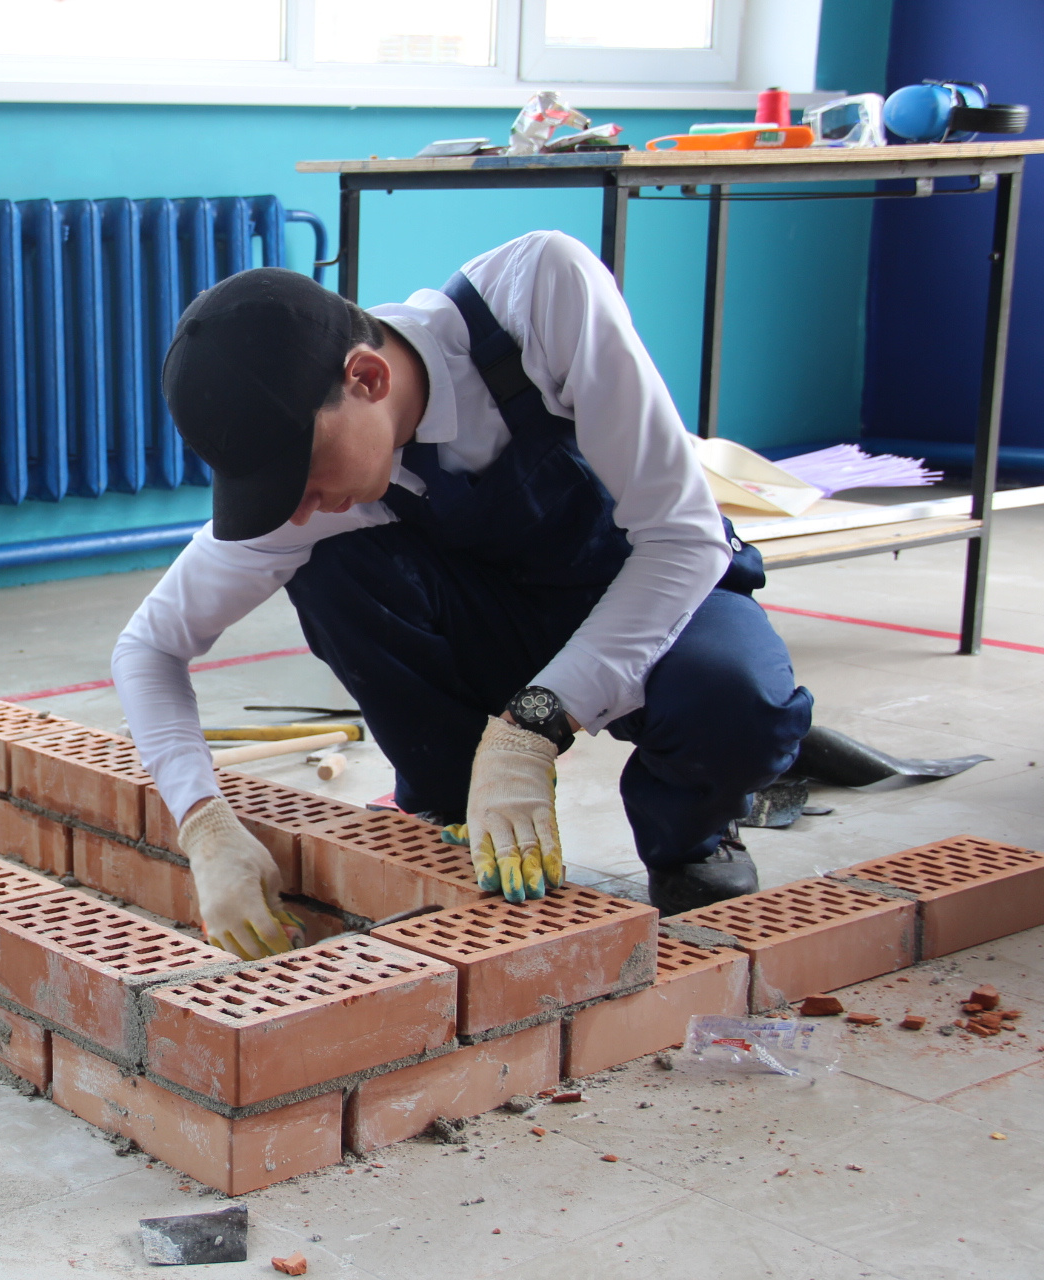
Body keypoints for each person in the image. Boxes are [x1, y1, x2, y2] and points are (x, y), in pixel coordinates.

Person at [111, 230, 813, 959]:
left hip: (654, 594)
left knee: (737, 704)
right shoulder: (321, 487)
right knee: (332, 568)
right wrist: (204, 823)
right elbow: (149, 648)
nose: (298, 507)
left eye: (302, 473)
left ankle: (689, 839)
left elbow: (681, 538)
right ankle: (451, 812)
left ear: (367, 378)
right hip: (508, 626)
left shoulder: (537, 299)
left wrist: (531, 729)